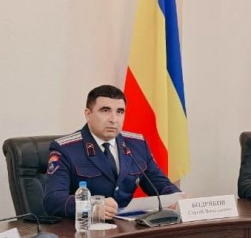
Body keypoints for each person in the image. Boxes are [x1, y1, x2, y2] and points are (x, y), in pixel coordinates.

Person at [43, 85, 181, 218]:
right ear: (88, 114)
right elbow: (53, 200)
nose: (114, 119)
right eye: (105, 111)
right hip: (85, 227)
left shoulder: (137, 145)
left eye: (120, 112)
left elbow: (160, 184)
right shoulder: (66, 148)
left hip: (127, 226)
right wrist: (92, 206)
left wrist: (177, 198)